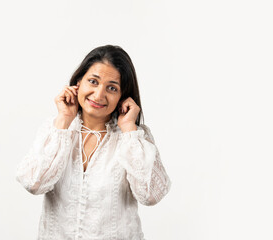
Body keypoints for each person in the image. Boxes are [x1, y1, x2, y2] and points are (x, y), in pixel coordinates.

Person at [16, 45, 172, 240]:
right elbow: (33, 184)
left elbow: (151, 195)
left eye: (112, 88)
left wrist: (129, 130)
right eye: (93, 81)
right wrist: (64, 120)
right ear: (79, 82)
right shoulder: (55, 130)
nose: (99, 95)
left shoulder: (134, 138)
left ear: (123, 96)